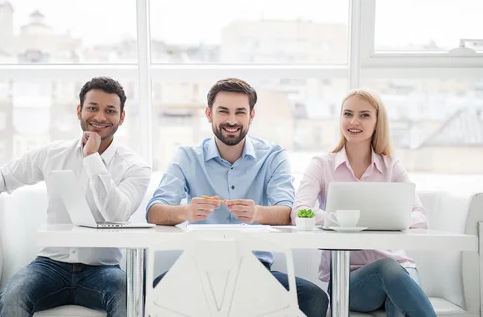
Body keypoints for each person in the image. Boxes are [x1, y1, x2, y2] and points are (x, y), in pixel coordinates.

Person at [146, 78, 329, 317]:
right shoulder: (187, 157)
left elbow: (287, 211)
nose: (232, 120)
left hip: (256, 270)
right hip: (196, 268)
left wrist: (258, 213)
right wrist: (185, 212)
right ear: (208, 114)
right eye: (223, 111)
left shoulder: (273, 157)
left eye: (240, 112)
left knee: (313, 298)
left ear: (251, 116)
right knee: (150, 293)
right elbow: (154, 211)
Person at [0, 77, 151, 317]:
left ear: (122, 117)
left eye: (110, 111)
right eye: (92, 108)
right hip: (49, 266)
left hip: (103, 269)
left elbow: (116, 214)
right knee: (13, 297)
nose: (100, 117)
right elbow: (4, 174)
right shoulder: (53, 154)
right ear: (79, 111)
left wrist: (91, 158)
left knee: (129, 301)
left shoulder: (135, 167)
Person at [291, 88, 436, 317]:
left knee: (397, 297)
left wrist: (391, 219)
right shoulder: (321, 165)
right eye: (348, 114)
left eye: (364, 115)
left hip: (401, 271)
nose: (354, 121)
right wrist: (340, 221)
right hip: (350, 281)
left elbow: (420, 217)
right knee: (386, 269)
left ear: (378, 122)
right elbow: (299, 212)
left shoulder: (392, 167)